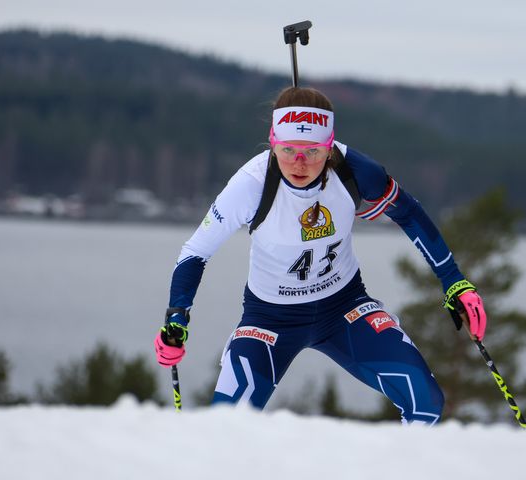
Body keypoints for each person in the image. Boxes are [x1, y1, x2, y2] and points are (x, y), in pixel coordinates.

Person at [154, 87, 487, 424]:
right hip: (270, 320)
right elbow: (196, 252)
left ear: (330, 149)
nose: (299, 163)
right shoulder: (251, 184)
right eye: (287, 150)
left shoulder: (355, 171)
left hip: (344, 309)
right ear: (272, 142)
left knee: (425, 402)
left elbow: (410, 214)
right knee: (224, 425)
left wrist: (454, 282)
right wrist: (176, 316)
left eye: (312, 152)